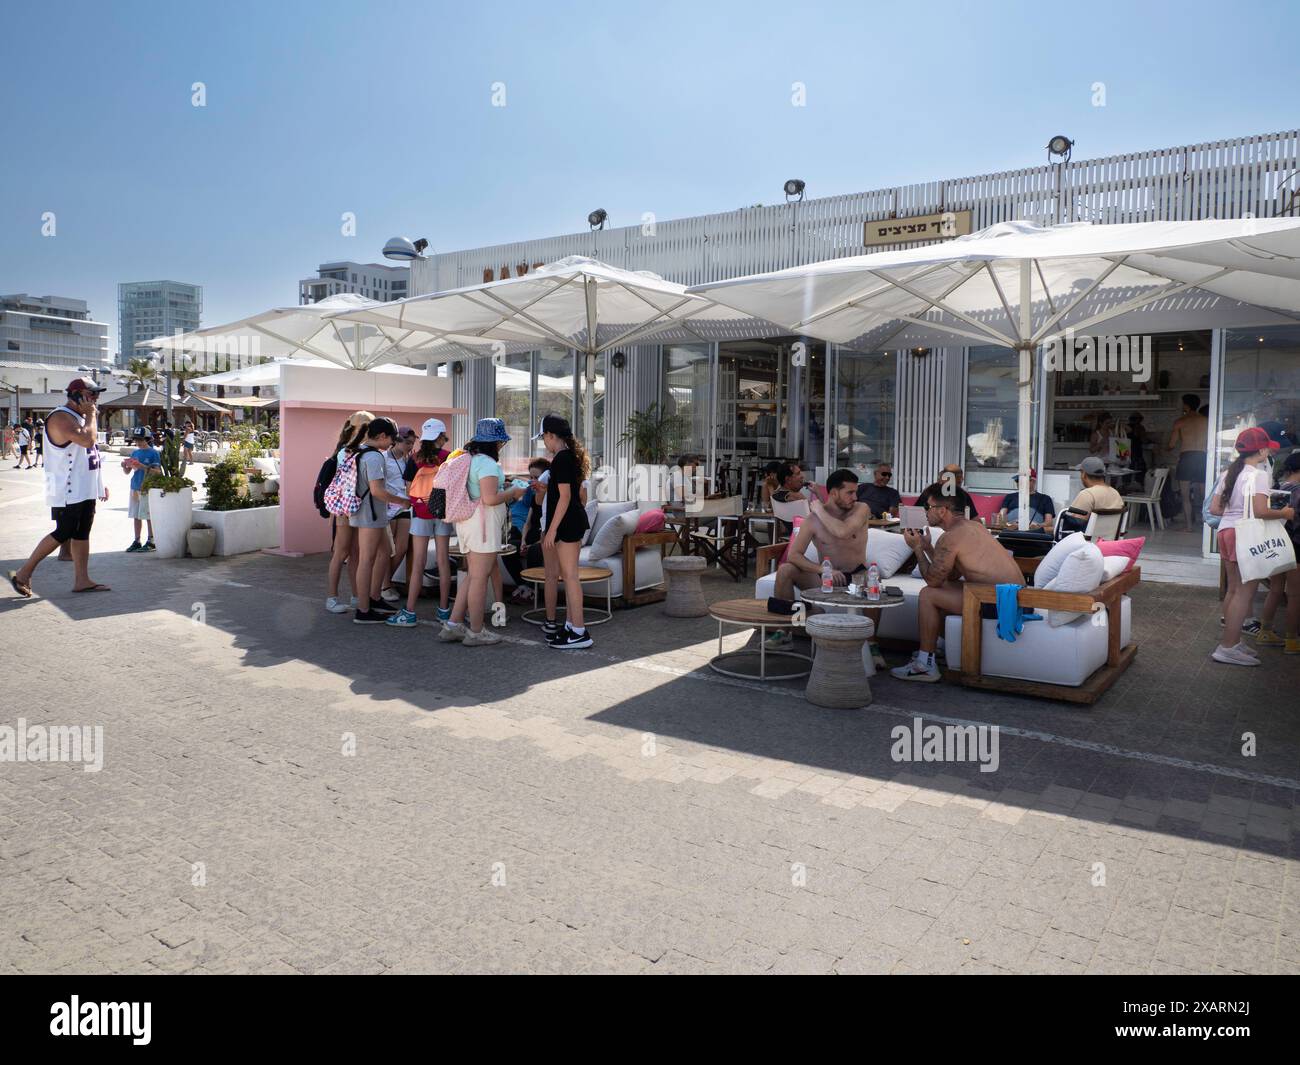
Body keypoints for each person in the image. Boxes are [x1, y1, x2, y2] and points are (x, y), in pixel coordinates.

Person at [891, 490, 1025, 682]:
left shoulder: (951, 537)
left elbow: (932, 581)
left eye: (929, 507)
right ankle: (940, 647)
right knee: (945, 588)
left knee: (928, 594)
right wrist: (929, 547)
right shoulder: (974, 527)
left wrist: (918, 549)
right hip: (1011, 597)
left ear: (943, 511)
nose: (926, 512)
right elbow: (951, 575)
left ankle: (925, 664)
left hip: (1000, 602)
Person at [8, 378, 111, 597]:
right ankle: (24, 573)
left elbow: (90, 455)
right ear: (76, 395)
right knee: (64, 531)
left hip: (85, 487)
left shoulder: (80, 416)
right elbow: (87, 441)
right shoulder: (61, 417)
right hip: (68, 489)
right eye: (91, 394)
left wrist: (99, 483)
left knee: (82, 533)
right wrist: (92, 415)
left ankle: (82, 580)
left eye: (96, 394)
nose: (95, 399)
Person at [1209, 427, 1293, 666]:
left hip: (1226, 531)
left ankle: (1232, 641)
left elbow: (1215, 509)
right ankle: (1227, 648)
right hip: (1244, 535)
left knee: (1233, 590)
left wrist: (1235, 509)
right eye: (1267, 448)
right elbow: (1260, 511)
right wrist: (1286, 512)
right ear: (1262, 450)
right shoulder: (1258, 475)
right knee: (1244, 593)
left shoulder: (1228, 473)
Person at [439, 418, 526, 646]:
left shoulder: (470, 460)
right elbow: (489, 499)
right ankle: (476, 631)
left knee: (471, 576)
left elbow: (482, 492)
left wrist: (503, 489)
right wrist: (514, 492)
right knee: (479, 578)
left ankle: (454, 624)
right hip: (483, 525)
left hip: (468, 523)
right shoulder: (487, 464)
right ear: (496, 442)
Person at [768, 469, 871, 652]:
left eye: (856, 492)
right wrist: (821, 570)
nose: (855, 497)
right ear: (833, 493)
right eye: (850, 492)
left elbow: (843, 531)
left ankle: (872, 645)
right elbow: (794, 555)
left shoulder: (861, 509)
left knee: (873, 582)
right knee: (785, 570)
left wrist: (818, 509)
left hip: (856, 577)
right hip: (826, 578)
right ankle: (786, 633)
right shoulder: (812, 520)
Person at [388, 417, 453, 628]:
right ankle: (444, 611)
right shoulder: (448, 457)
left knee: (418, 563)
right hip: (442, 513)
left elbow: (408, 490)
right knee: (443, 562)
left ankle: (410, 612)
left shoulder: (414, 458)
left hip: (420, 513)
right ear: (440, 437)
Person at [536, 414, 593, 650]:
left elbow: (565, 497)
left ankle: (579, 630)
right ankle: (571, 625)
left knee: (570, 577)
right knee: (569, 577)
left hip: (568, 524)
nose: (544, 443)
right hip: (570, 523)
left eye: (544, 438)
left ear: (551, 435)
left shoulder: (562, 459)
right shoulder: (566, 457)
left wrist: (551, 530)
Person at [351, 418, 410, 625]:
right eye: (392, 439)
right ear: (382, 436)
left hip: (373, 514)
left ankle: (374, 599)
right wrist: (401, 501)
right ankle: (363, 609)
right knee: (367, 559)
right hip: (370, 514)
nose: (392, 443)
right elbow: (377, 491)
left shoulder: (360, 450)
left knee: (384, 553)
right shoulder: (374, 457)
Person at [325, 411, 374, 614]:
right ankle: (332, 597)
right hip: (346, 510)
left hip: (353, 508)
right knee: (342, 552)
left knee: (354, 553)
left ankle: (356, 596)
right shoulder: (346, 452)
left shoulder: (351, 450)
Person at [1254, 450, 1300, 655]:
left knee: (1275, 589)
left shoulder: (1278, 488)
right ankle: (1292, 640)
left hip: (1276, 544)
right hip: (1296, 547)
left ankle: (1265, 631)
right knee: (1295, 595)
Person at [502, 456, 550, 603]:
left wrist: (531, 544)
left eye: (536, 477)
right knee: (509, 548)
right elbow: (528, 523)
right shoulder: (533, 495)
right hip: (530, 534)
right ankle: (523, 586)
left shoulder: (551, 497)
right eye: (531, 477)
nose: (532, 480)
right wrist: (523, 541)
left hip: (543, 537)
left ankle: (531, 588)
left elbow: (548, 528)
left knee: (534, 550)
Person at [378, 430, 414, 604]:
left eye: (413, 443)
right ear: (397, 441)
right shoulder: (383, 458)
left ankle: (382, 582)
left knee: (401, 548)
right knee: (387, 550)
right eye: (407, 443)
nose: (411, 446)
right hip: (389, 506)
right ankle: (384, 585)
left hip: (406, 505)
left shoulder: (410, 458)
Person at [1168, 394, 1208, 528]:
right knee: (1204, 495)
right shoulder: (1206, 421)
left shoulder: (1180, 421)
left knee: (1185, 495)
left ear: (1186, 405)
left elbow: (1172, 444)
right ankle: (1206, 526)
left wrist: (1165, 449)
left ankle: (1189, 526)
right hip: (1202, 457)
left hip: (1187, 457)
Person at [1058, 456, 1124, 533]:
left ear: (1084, 474)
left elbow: (1073, 524)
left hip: (1088, 542)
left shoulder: (1087, 494)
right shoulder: (1115, 493)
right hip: (1109, 540)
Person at [123, 427, 161, 552]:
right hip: (135, 487)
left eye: (141, 440)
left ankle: (151, 540)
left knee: (147, 515)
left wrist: (142, 466)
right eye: (136, 440)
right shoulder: (135, 453)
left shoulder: (154, 453)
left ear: (147, 439)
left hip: (146, 488)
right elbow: (127, 472)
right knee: (136, 515)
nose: (138, 442)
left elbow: (157, 472)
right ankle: (137, 540)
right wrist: (125, 466)